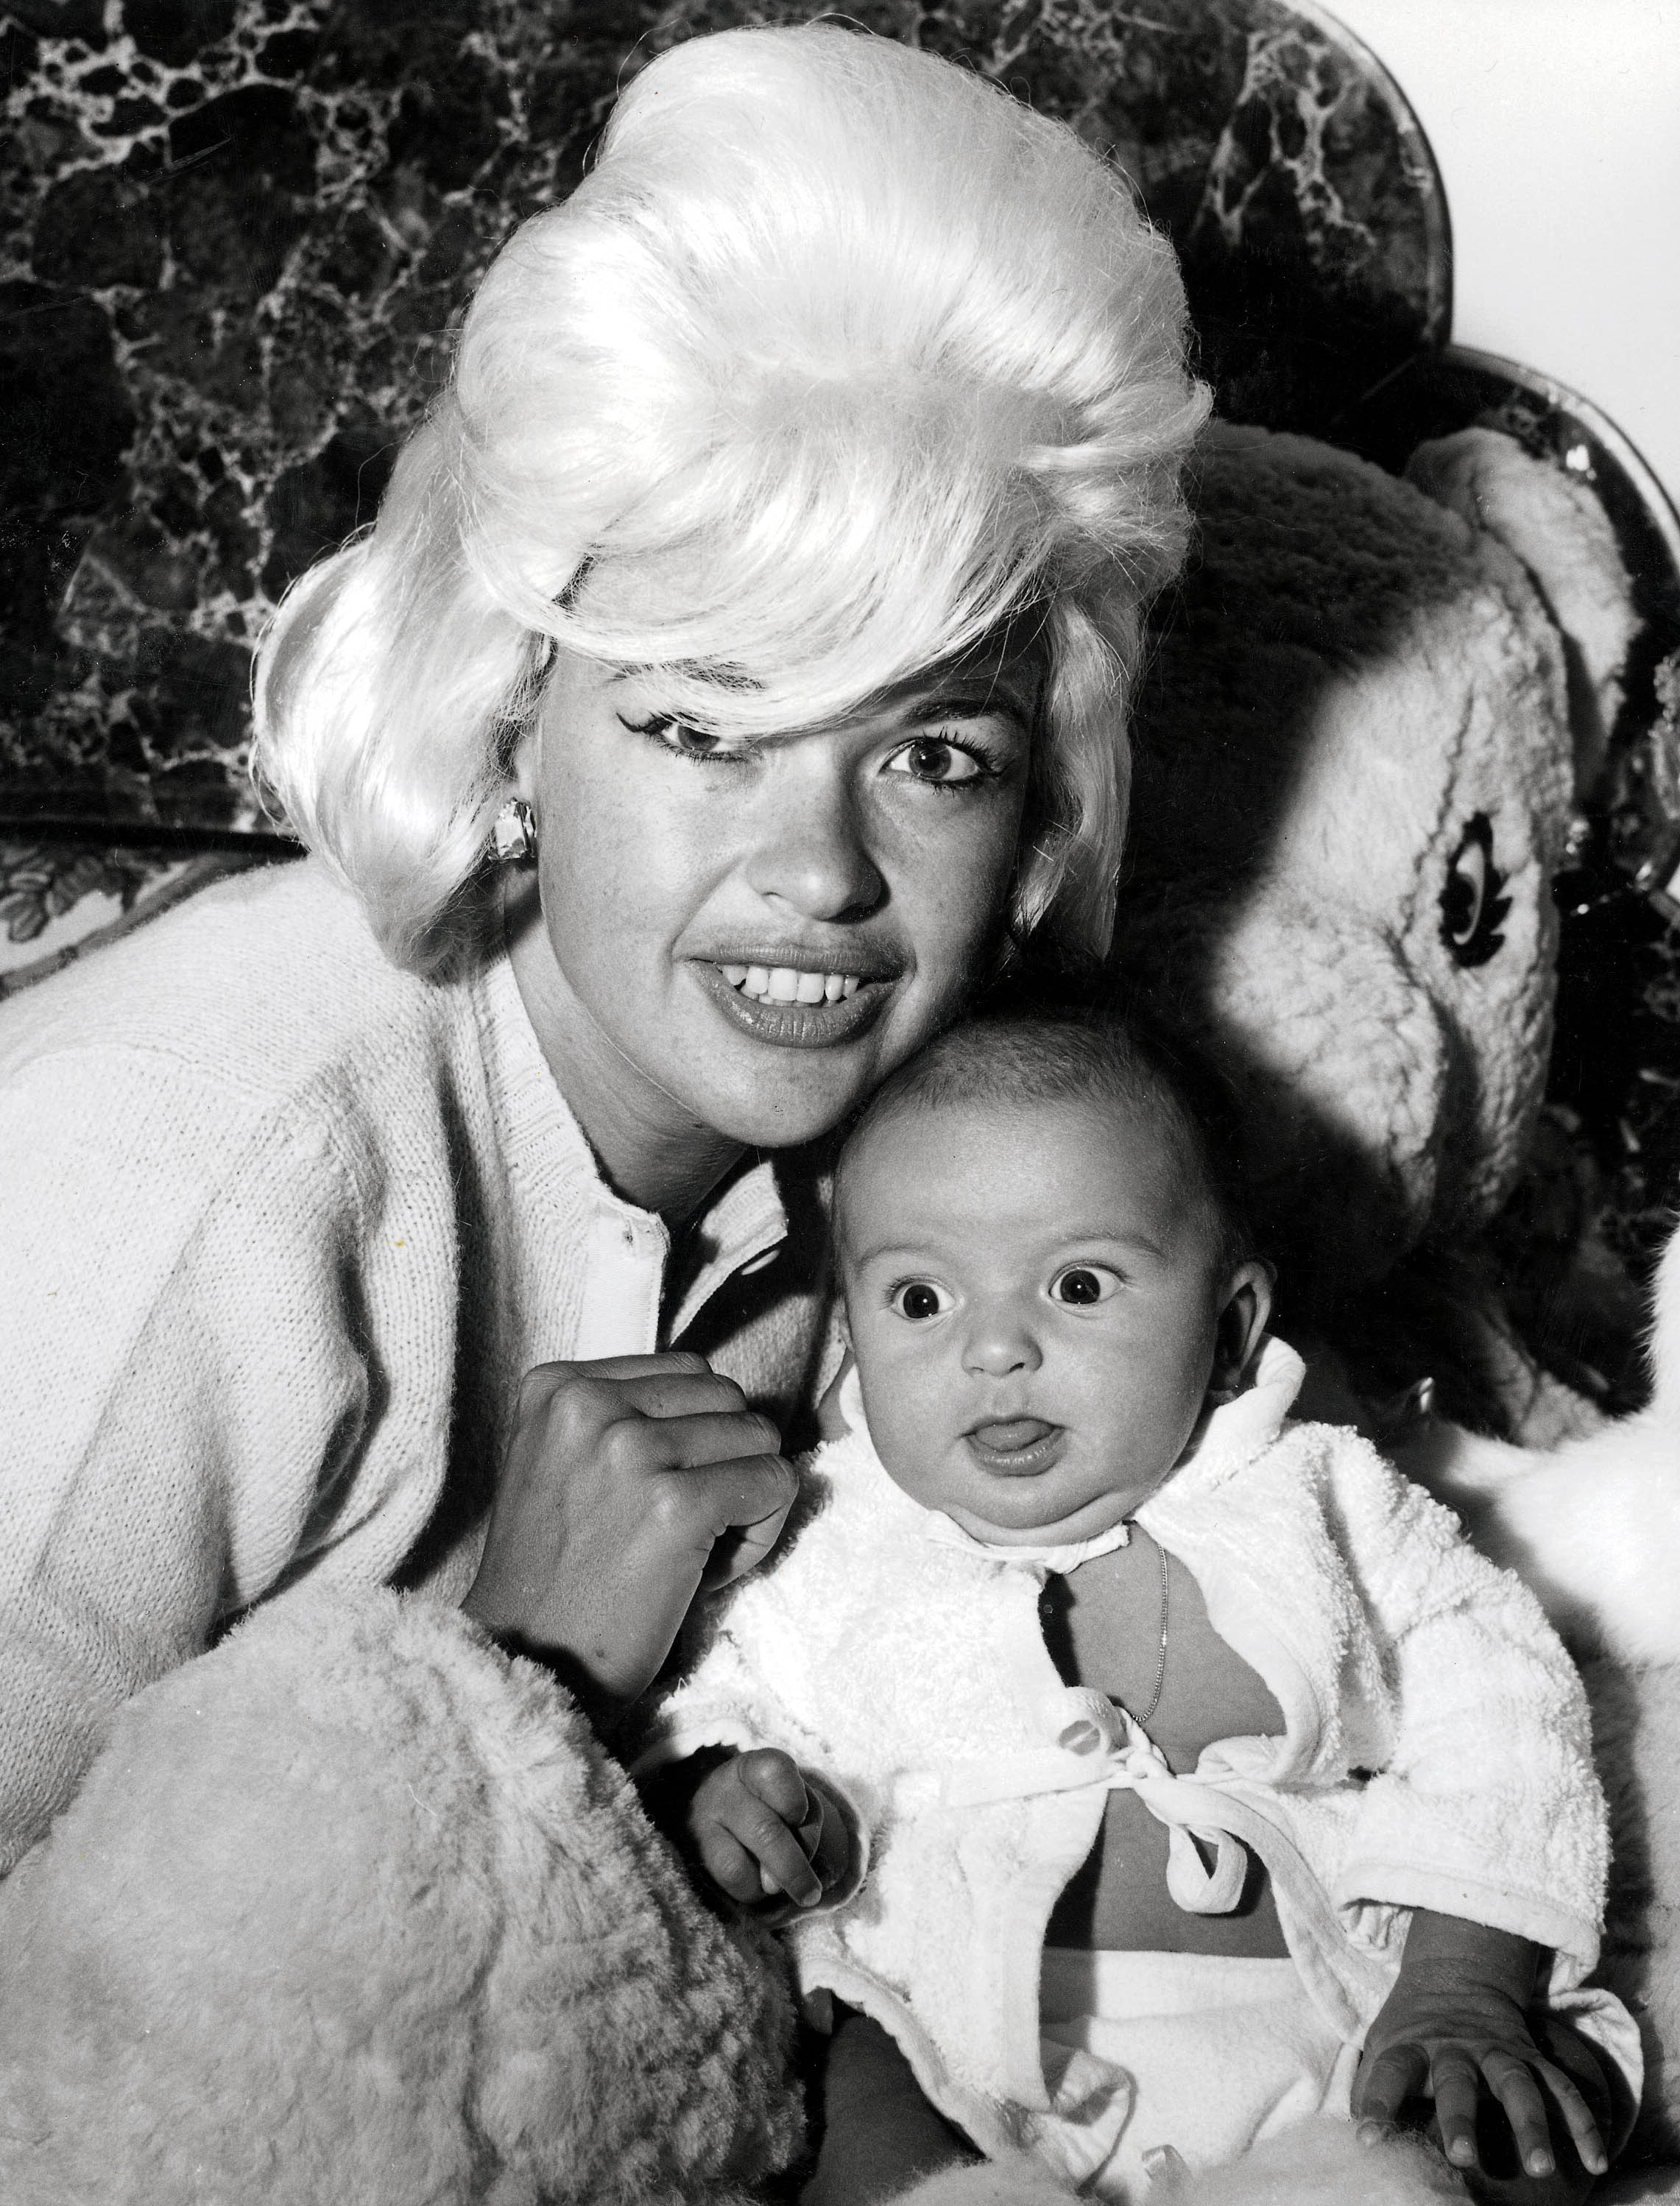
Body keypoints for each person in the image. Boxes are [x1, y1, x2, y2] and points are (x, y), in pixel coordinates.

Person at [0, 24, 1209, 2197]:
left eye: (930, 749)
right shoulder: (184, 1167)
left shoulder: (907, 1179)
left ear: (1040, 808)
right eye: (704, 718)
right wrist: (512, 1680)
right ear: (509, 712)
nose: (823, 874)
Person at [639, 1010, 1642, 2205]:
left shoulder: (1320, 1498)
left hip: (1330, 2025)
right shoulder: (830, 1540)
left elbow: (1502, 1694)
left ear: (1229, 1331)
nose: (995, 1347)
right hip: (968, 2043)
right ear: (849, 1336)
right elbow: (721, 1699)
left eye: (1076, 1284)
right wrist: (731, 1791)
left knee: (1523, 2125)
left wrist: (1461, 1979)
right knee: (855, 2076)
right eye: (919, 1300)